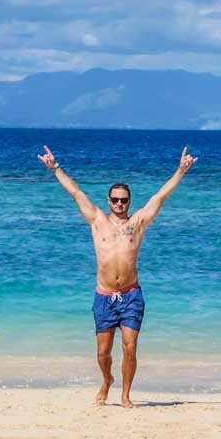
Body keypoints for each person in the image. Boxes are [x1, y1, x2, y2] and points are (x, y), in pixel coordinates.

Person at [37, 144, 197, 408]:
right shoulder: (97, 220)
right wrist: (55, 168)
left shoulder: (138, 223)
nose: (120, 204)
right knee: (103, 353)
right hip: (104, 296)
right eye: (115, 200)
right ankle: (107, 380)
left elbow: (159, 197)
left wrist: (181, 171)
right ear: (108, 201)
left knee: (130, 347)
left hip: (131, 295)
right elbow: (76, 193)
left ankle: (125, 394)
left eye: (124, 200)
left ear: (129, 202)